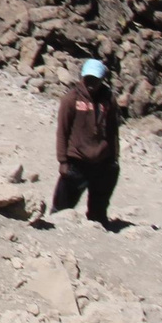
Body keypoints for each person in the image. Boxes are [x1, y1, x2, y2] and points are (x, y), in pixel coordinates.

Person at [52, 58, 122, 227]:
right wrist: (63, 161)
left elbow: (113, 129)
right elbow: (63, 131)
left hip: (102, 162)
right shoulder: (71, 100)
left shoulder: (108, 99)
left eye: (96, 80)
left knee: (99, 208)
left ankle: (97, 228)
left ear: (102, 79)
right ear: (82, 77)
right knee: (61, 207)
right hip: (77, 161)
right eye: (88, 79)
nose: (91, 83)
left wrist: (114, 157)